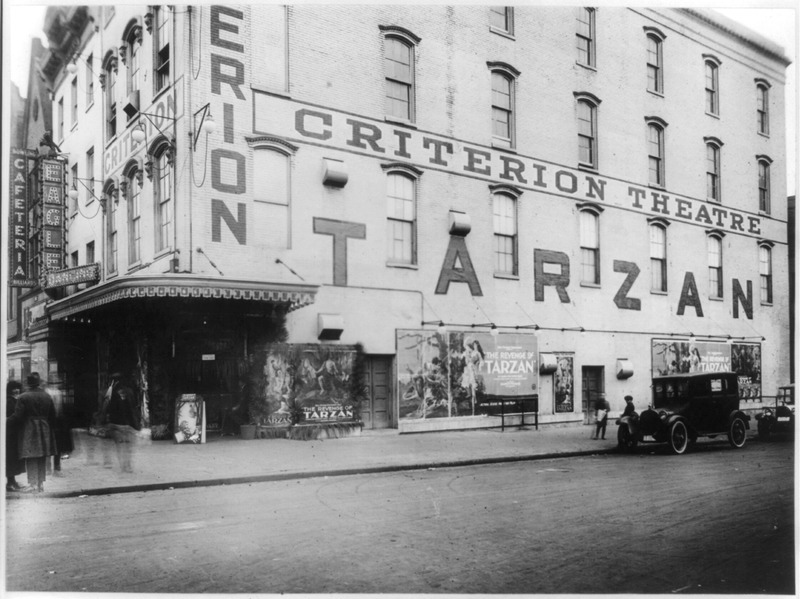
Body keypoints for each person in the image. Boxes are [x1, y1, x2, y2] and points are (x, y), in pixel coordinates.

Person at [10, 373, 57, 493]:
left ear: (28, 383)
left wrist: (6, 421)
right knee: (41, 456)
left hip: (29, 429)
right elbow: (53, 415)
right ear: (39, 382)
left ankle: (33, 484)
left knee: (31, 456)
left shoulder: (23, 397)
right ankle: (40, 484)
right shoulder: (47, 396)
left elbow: (18, 416)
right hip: (44, 428)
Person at [105, 384, 141, 473]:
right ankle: (126, 465)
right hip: (124, 424)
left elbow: (108, 408)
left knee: (121, 446)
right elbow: (132, 409)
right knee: (126, 446)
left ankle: (124, 465)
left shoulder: (112, 391)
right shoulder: (128, 392)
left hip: (120, 424)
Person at [5, 380, 26, 491]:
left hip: (14, 434)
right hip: (9, 434)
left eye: (18, 388)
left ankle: (12, 482)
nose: (17, 390)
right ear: (10, 390)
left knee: (13, 458)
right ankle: (10, 483)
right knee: (11, 458)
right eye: (14, 388)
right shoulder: (9, 401)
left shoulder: (14, 400)